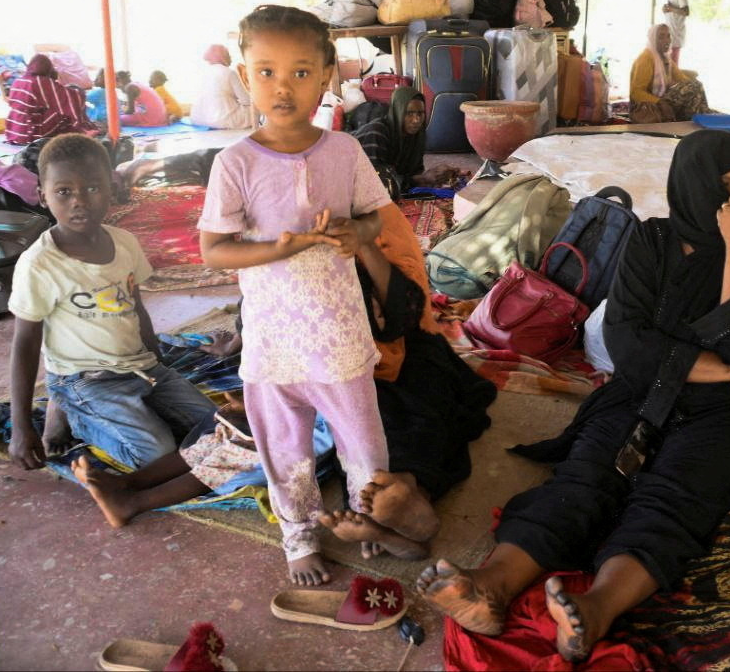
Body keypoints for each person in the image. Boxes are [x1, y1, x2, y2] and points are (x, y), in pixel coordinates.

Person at [418, 130, 730, 663]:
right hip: (648, 390)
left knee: (674, 499)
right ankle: (493, 585)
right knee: (589, 473)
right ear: (691, 184)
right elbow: (627, 341)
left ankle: (597, 609)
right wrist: (721, 370)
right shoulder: (652, 241)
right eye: (725, 189)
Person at [73, 202, 496, 563]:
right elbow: (261, 302)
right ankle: (130, 489)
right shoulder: (281, 231)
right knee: (251, 422)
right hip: (313, 364)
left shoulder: (372, 219)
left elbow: (403, 313)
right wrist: (245, 357)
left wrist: (363, 240)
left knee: (406, 427)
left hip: (397, 361)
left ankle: (398, 503)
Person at [198, 4, 431, 586]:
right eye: (268, 72)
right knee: (284, 447)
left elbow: (377, 218)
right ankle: (298, 536)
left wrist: (358, 234)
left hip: (339, 338)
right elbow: (214, 250)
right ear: (246, 77)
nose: (284, 87)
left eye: (301, 72)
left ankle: (365, 515)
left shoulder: (343, 152)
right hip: (274, 343)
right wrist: (275, 251)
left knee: (362, 438)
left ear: (326, 77)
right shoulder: (235, 163)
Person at [6, 134, 218, 474]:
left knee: (220, 429)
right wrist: (20, 427)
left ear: (113, 190)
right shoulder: (40, 264)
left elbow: (136, 306)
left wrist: (161, 368)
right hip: (84, 378)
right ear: (42, 196)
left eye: (92, 188)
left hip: (142, 367)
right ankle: (72, 413)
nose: (79, 201)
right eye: (64, 191)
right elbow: (25, 343)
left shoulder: (125, 243)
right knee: (159, 453)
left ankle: (100, 411)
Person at [354, 87, 460, 198]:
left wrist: (437, 176)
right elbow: (377, 183)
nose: (416, 120)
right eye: (409, 113)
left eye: (421, 113)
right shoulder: (377, 133)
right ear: (398, 111)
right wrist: (423, 179)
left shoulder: (416, 137)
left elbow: (413, 177)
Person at [628, 24, 712, 124]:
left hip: (660, 101)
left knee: (696, 85)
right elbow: (636, 92)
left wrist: (693, 87)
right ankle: (701, 117)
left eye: (668, 36)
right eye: (661, 37)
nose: (667, 40)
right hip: (647, 106)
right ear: (652, 39)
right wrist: (659, 102)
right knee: (694, 86)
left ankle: (701, 115)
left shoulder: (665, 58)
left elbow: (682, 79)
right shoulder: (645, 59)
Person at [4, 54, 95, 145]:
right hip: (31, 132)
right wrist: (79, 92)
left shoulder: (18, 81)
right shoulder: (40, 82)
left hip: (15, 129)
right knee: (65, 113)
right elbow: (69, 97)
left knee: (54, 108)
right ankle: (84, 132)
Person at [192, 43, 254, 129]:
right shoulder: (229, 72)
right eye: (228, 54)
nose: (230, 57)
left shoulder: (202, 73)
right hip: (221, 121)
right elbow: (246, 100)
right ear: (222, 56)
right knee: (256, 106)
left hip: (198, 119)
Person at [661, 0, 689, 67]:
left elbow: (686, 11)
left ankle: (673, 83)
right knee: (669, 66)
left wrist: (670, 9)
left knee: (673, 67)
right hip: (671, 34)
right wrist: (666, 9)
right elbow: (673, 9)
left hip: (675, 35)